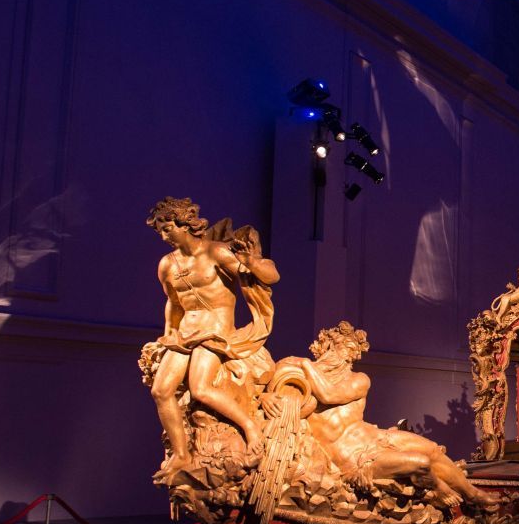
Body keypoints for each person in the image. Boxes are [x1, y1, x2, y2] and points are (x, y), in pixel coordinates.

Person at [295, 322, 496, 508]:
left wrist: (306, 365)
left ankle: (472, 494)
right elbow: (279, 392)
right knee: (421, 463)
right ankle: (437, 487)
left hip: (377, 438)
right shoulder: (301, 383)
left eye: (352, 353)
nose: (347, 358)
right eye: (343, 349)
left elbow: (329, 394)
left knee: (432, 450)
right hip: (356, 461)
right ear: (327, 347)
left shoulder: (358, 380)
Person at [146, 197, 278, 477]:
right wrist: (169, 331)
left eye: (167, 228)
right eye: (160, 230)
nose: (163, 235)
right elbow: (174, 301)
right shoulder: (166, 265)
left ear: (184, 224)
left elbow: (271, 277)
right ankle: (181, 456)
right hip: (185, 333)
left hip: (214, 332)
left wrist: (251, 262)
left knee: (201, 388)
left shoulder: (216, 252)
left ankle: (250, 427)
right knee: (161, 390)